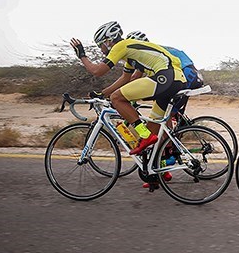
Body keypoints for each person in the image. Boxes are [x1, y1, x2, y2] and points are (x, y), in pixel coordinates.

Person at [69, 21, 187, 157]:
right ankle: (160, 168)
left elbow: (98, 71)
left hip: (166, 77)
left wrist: (82, 55)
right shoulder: (130, 52)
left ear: (108, 41)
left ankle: (144, 133)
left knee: (116, 98)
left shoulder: (120, 45)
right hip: (176, 79)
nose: (101, 50)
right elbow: (125, 78)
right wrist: (102, 94)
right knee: (150, 136)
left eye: (100, 45)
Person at [125, 31, 204, 119]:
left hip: (185, 75)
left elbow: (136, 76)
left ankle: (169, 131)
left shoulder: (150, 53)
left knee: (164, 115)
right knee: (167, 109)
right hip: (193, 75)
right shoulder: (158, 48)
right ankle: (181, 129)